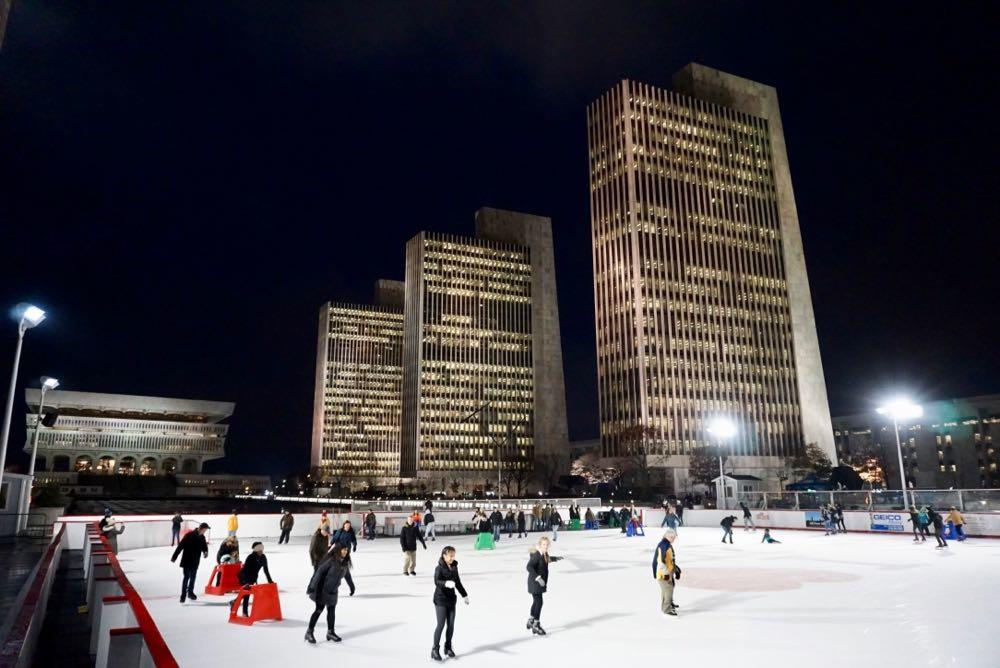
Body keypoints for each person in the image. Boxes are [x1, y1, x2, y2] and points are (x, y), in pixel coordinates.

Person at [305, 542, 355, 643]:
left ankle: (330, 632)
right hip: (322, 589)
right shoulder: (331, 561)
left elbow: (348, 576)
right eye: (343, 549)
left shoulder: (344, 563)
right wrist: (312, 586)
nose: (345, 551)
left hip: (333, 590)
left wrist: (352, 587)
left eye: (346, 550)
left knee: (331, 611)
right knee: (319, 610)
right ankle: (309, 632)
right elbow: (319, 572)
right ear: (338, 550)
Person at [430, 545, 469, 661]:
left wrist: (464, 594)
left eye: (453, 556)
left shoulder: (454, 567)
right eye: (450, 556)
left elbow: (457, 582)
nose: (452, 558)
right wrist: (446, 583)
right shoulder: (439, 568)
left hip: (451, 599)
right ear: (444, 556)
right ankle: (435, 649)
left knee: (451, 625)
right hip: (440, 599)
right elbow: (436, 581)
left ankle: (448, 647)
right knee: (441, 624)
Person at [526, 536, 562, 635]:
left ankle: (531, 619)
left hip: (538, 583)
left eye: (547, 545)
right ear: (540, 545)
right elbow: (529, 566)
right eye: (544, 544)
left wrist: (554, 559)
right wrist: (538, 578)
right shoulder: (537, 555)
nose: (546, 546)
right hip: (535, 583)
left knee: (536, 602)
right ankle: (536, 624)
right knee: (539, 602)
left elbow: (546, 560)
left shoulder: (544, 554)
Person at [232, 541, 274, 616]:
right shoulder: (250, 557)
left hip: (252, 578)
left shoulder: (263, 558)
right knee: (246, 594)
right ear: (256, 550)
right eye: (259, 550)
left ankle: (234, 602)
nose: (261, 551)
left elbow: (266, 570)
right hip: (243, 577)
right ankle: (245, 613)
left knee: (246, 593)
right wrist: (246, 582)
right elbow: (245, 570)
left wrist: (270, 581)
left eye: (262, 550)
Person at [171, 522, 209, 603]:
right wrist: (174, 557)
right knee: (186, 577)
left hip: (195, 561)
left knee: (193, 577)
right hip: (187, 560)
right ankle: (183, 595)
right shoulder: (189, 535)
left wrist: (205, 552)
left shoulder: (202, 537)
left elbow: (204, 546)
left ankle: (190, 593)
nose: (205, 531)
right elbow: (180, 546)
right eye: (205, 529)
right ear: (201, 528)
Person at [652, 529, 679, 616]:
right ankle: (666, 609)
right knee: (668, 590)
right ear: (668, 536)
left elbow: (670, 560)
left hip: (667, 571)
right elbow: (662, 561)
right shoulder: (664, 545)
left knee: (668, 589)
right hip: (664, 573)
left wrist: (676, 569)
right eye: (673, 537)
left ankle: (669, 604)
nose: (674, 539)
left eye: (674, 537)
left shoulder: (666, 544)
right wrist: (667, 573)